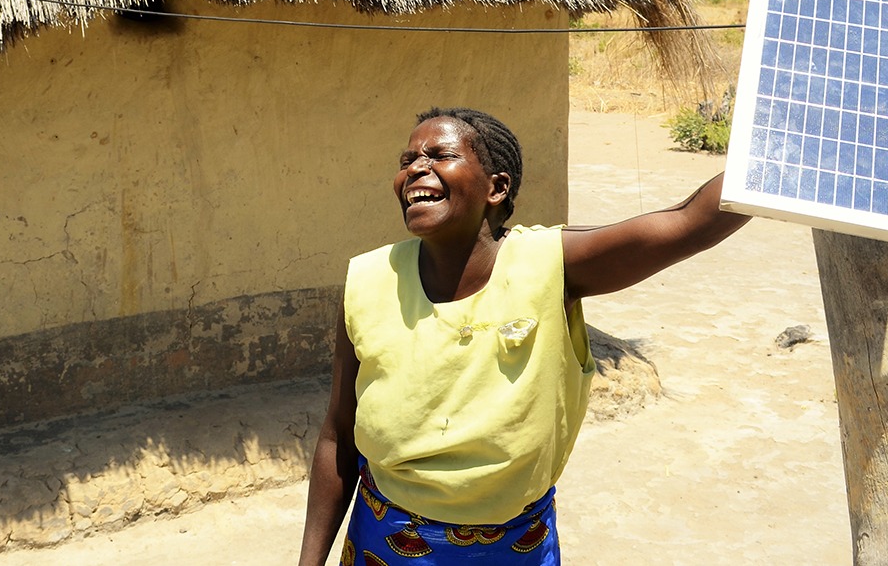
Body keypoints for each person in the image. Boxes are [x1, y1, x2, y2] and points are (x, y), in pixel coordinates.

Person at [298, 107, 750, 565]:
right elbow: (339, 435)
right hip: (387, 541)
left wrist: (785, 155)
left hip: (516, 548)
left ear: (496, 188)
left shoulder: (550, 265)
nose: (416, 167)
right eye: (407, 159)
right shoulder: (368, 279)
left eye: (440, 154)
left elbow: (689, 221)